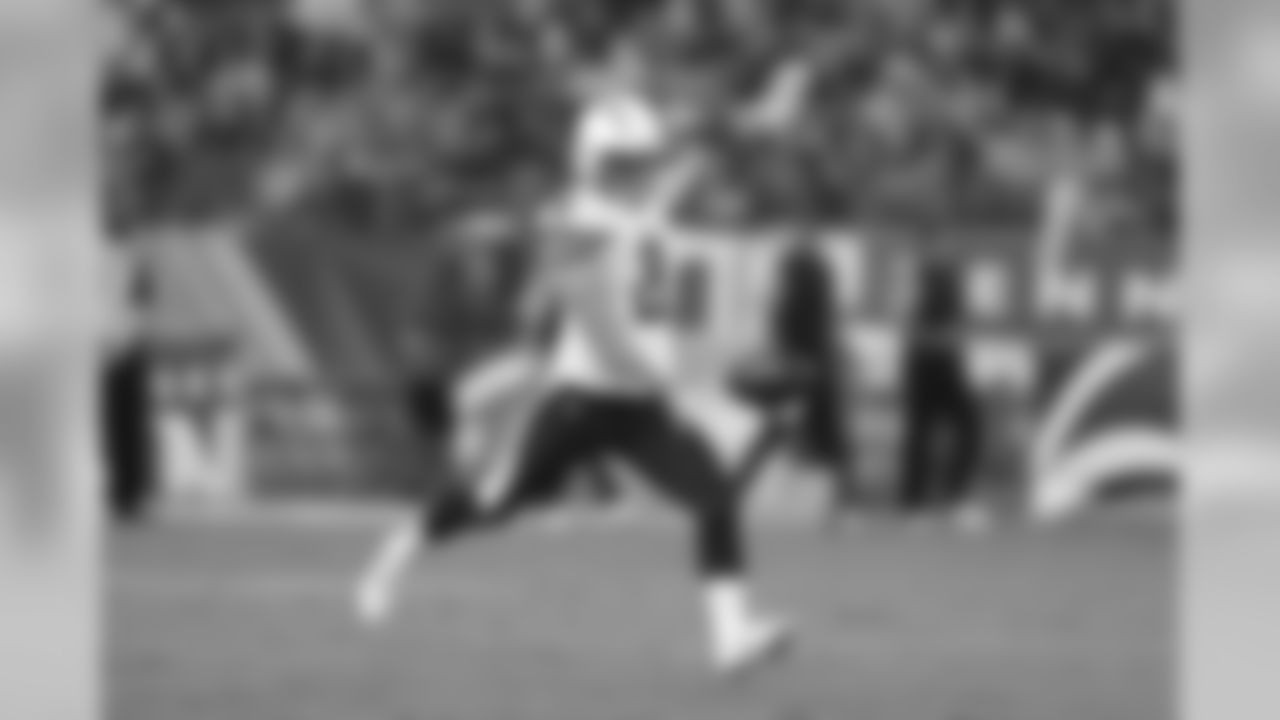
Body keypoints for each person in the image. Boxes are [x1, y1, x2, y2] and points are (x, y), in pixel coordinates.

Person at [354, 85, 790, 676]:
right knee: (496, 501)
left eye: (641, 160)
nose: (637, 172)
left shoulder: (641, 202)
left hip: (641, 406)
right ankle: (395, 554)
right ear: (591, 163)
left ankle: (731, 634)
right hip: (579, 402)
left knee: (714, 496)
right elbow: (598, 323)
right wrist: (662, 379)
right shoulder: (577, 223)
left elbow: (697, 155)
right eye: (624, 163)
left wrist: (754, 119)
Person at [771, 230, 858, 520]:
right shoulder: (811, 283)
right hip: (814, 366)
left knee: (813, 434)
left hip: (805, 366)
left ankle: (828, 502)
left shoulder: (799, 287)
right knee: (826, 435)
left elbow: (787, 328)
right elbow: (819, 326)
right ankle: (836, 503)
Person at [898, 258, 984, 517]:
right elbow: (919, 339)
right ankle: (916, 498)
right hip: (924, 377)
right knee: (919, 434)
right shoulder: (925, 305)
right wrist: (944, 339)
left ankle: (950, 491)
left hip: (944, 378)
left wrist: (950, 340)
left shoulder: (948, 305)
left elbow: (954, 341)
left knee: (969, 422)